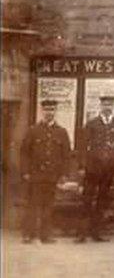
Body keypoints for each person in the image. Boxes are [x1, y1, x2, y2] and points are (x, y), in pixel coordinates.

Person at [20, 99, 71, 244]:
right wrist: (25, 171)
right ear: (42, 111)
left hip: (52, 175)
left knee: (48, 205)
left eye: (52, 110)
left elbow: (66, 154)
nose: (50, 113)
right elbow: (24, 152)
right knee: (33, 204)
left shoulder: (62, 132)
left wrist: (64, 174)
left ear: (56, 112)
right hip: (35, 174)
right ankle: (29, 234)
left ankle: (45, 235)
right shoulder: (33, 130)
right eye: (47, 110)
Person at [76, 95, 114, 243]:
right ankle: (82, 233)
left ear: (113, 107)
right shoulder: (91, 124)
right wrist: (81, 166)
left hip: (109, 169)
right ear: (101, 107)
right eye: (105, 105)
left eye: (110, 105)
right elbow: (82, 146)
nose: (107, 108)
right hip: (92, 167)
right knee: (87, 199)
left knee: (102, 200)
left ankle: (96, 232)